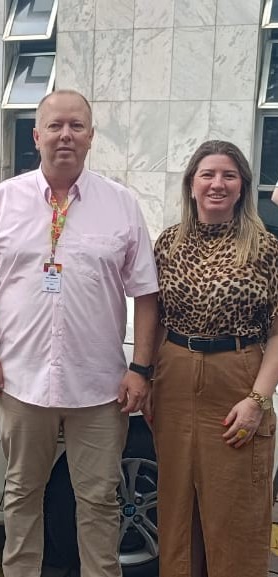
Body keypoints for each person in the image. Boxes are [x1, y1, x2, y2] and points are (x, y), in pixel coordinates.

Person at [0, 89, 159, 577]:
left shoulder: (121, 204)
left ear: (90, 136)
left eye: (76, 126)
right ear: (36, 136)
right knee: (22, 494)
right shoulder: (4, 200)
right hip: (22, 382)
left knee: (100, 501)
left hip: (99, 387)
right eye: (55, 125)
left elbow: (147, 294)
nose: (65, 135)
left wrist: (140, 368)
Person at [152, 140, 278, 577]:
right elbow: (157, 318)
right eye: (207, 175)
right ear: (191, 184)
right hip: (174, 376)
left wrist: (258, 400)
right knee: (176, 510)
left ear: (242, 186)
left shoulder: (265, 248)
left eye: (229, 175)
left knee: (236, 508)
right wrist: (149, 378)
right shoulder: (168, 243)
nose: (217, 184)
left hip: (237, 376)